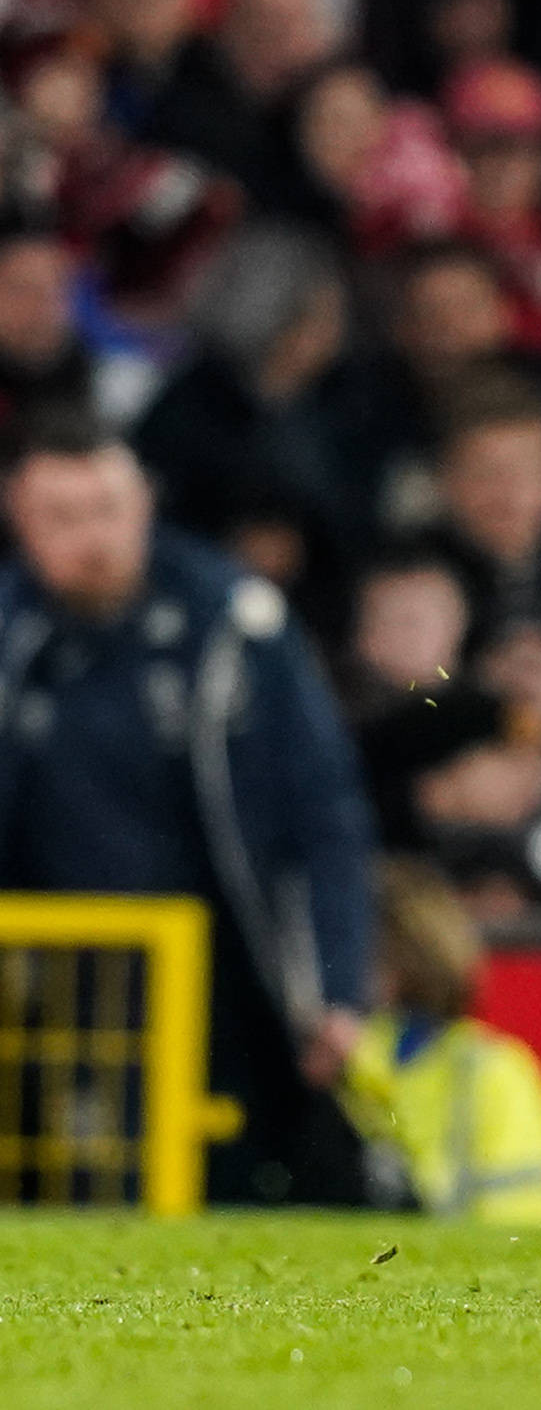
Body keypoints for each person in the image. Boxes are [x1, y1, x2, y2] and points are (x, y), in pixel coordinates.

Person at [0, 410, 376, 1205]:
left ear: (143, 506)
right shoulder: (11, 639)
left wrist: (333, 987)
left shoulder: (237, 626)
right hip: (37, 989)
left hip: (220, 989)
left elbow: (322, 814)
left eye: (106, 511)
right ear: (19, 520)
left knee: (230, 1200)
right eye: (61, 519)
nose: (91, 539)